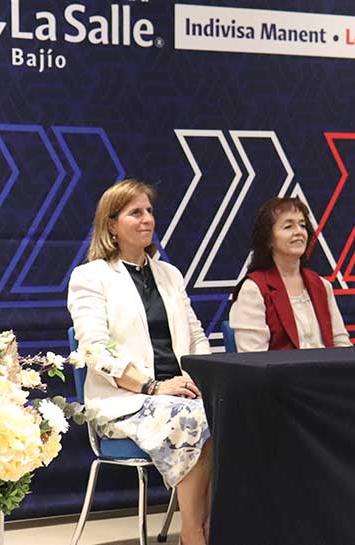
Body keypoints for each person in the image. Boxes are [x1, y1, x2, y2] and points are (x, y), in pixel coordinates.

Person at [67, 179, 212, 545]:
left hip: (180, 392)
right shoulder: (91, 277)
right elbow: (95, 348)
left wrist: (205, 382)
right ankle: (193, 532)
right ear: (111, 224)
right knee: (196, 418)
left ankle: (216, 526)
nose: (147, 219)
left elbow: (196, 336)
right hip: (125, 400)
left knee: (228, 410)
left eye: (149, 211)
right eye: (135, 213)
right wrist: (152, 386)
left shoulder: (169, 274)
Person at [229, 197, 351, 351]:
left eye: (302, 225)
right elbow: (253, 358)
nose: (299, 232)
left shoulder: (322, 285)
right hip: (278, 368)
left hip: (328, 367)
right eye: (288, 227)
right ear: (268, 239)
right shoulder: (253, 290)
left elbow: (341, 344)